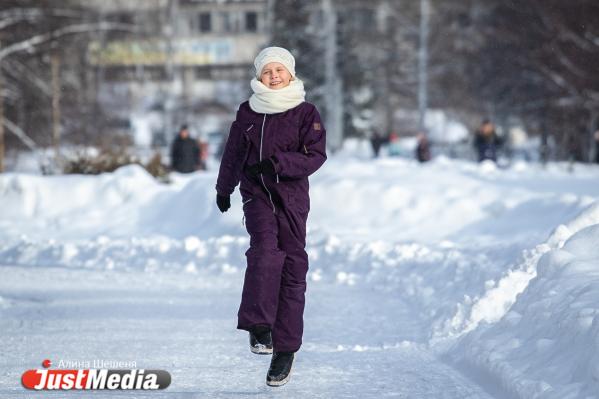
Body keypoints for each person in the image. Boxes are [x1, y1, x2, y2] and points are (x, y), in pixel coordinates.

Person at [215, 47, 327, 387]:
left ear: (290, 74)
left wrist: (279, 165)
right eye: (267, 71)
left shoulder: (306, 112)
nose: (274, 75)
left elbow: (315, 156)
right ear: (259, 77)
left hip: (292, 198)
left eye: (280, 69)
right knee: (265, 252)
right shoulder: (249, 111)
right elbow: (234, 152)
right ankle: (259, 326)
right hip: (258, 195)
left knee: (293, 268)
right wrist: (224, 188)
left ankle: (286, 349)